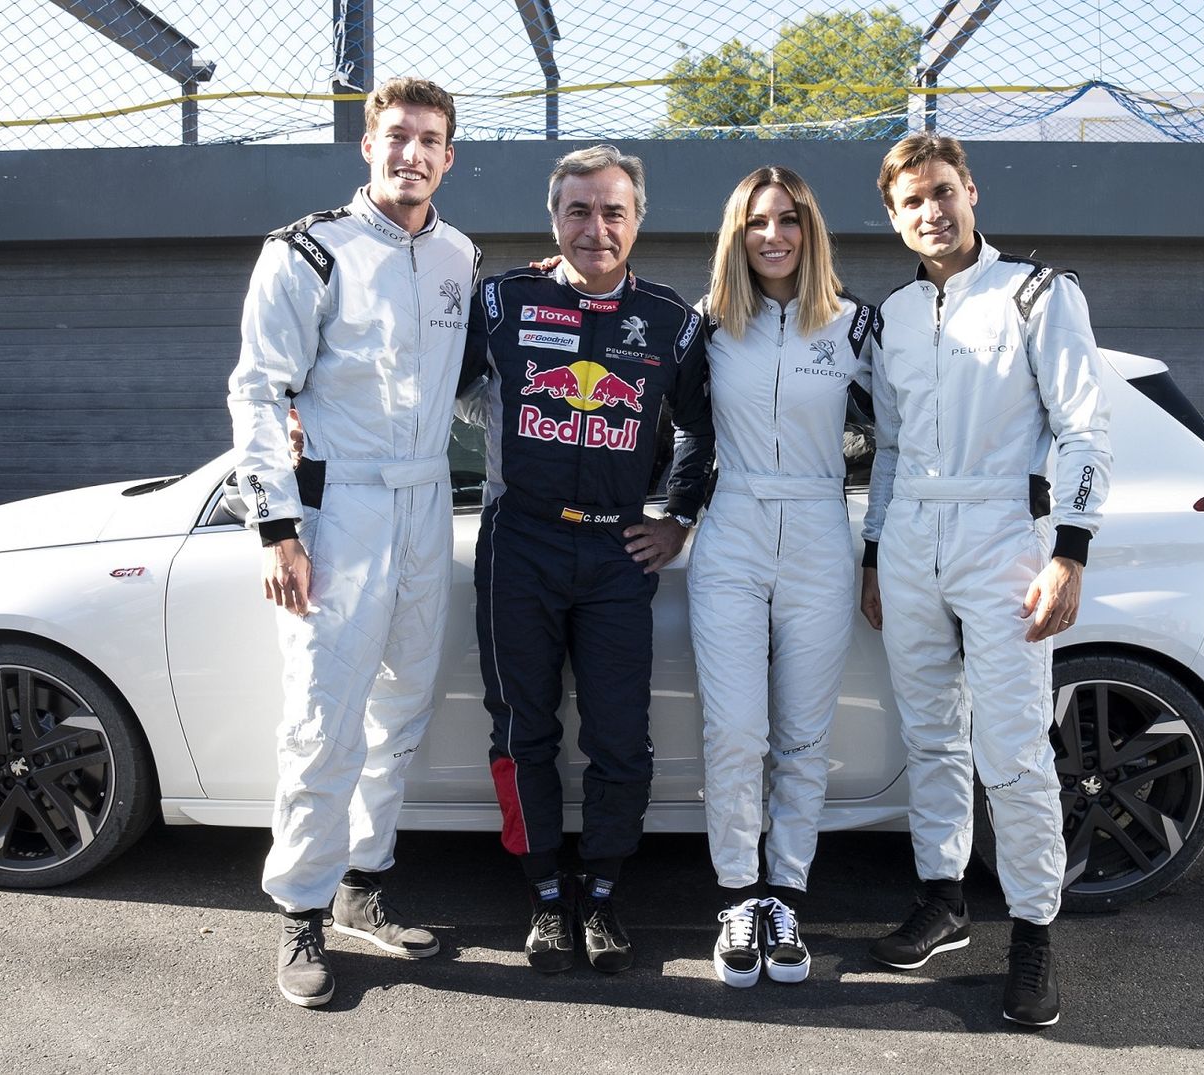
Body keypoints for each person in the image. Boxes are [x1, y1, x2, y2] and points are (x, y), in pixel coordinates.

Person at [226, 77, 479, 1008]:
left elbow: (475, 390)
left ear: (450, 157)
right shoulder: (307, 252)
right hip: (339, 513)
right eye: (397, 136)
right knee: (321, 718)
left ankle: (361, 889)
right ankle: (298, 909)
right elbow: (258, 392)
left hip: (426, 511)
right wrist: (277, 527)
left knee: (401, 710)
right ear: (367, 145)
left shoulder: (460, 257)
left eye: (431, 140)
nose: (413, 153)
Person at [858, 133, 1111, 1027]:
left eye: (941, 193)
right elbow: (887, 447)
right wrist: (875, 553)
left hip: (1006, 534)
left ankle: (1035, 935)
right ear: (894, 218)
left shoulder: (1039, 294)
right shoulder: (888, 316)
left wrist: (1069, 552)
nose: (930, 212)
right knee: (929, 735)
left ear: (971, 191)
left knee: (1011, 748)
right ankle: (944, 896)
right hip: (913, 541)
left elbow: (1084, 430)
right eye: (911, 203)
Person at [458, 144, 715, 975]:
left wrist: (677, 516)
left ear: (638, 220)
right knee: (520, 729)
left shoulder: (675, 320)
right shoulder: (501, 298)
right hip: (519, 540)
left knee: (619, 738)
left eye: (612, 211)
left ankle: (601, 892)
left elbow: (703, 429)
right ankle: (541, 894)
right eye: (578, 209)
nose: (595, 227)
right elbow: (422, 388)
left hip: (615, 548)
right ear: (553, 218)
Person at [686, 167, 876, 987]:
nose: (773, 235)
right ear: (736, 233)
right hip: (729, 531)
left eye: (788, 220)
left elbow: (907, 430)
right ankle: (736, 894)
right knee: (735, 733)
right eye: (758, 221)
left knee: (801, 737)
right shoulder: (706, 325)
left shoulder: (854, 326)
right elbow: (674, 430)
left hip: (821, 534)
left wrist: (882, 547)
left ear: (811, 228)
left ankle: (785, 896)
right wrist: (672, 516)